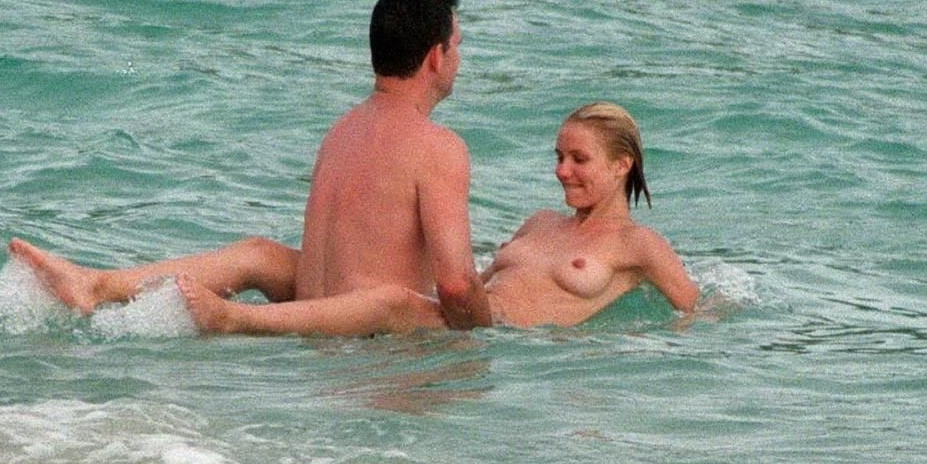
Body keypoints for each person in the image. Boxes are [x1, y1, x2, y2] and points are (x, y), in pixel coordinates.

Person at [9, 0, 490, 329]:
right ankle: (234, 318)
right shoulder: (438, 145)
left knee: (262, 255)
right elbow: (456, 286)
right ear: (435, 57)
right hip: (361, 334)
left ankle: (98, 285)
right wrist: (491, 338)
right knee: (401, 301)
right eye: (457, 46)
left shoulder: (342, 131)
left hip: (322, 306)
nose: (459, 59)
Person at [176, 102, 699, 335]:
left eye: (578, 159)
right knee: (265, 256)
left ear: (622, 164)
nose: (562, 170)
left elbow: (698, 312)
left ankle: (235, 320)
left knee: (389, 302)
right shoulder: (540, 223)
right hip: (471, 318)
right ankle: (134, 293)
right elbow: (472, 284)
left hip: (504, 335)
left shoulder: (639, 246)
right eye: (558, 156)